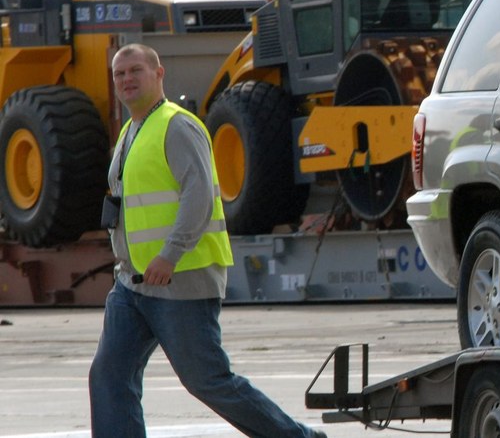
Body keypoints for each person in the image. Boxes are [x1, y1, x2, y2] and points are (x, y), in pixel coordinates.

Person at [88, 43, 325, 438]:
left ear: (158, 73)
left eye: (135, 71)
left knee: (208, 380)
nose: (126, 79)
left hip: (181, 279)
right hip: (132, 284)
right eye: (119, 74)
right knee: (108, 374)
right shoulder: (131, 131)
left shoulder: (177, 125)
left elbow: (199, 196)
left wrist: (170, 254)